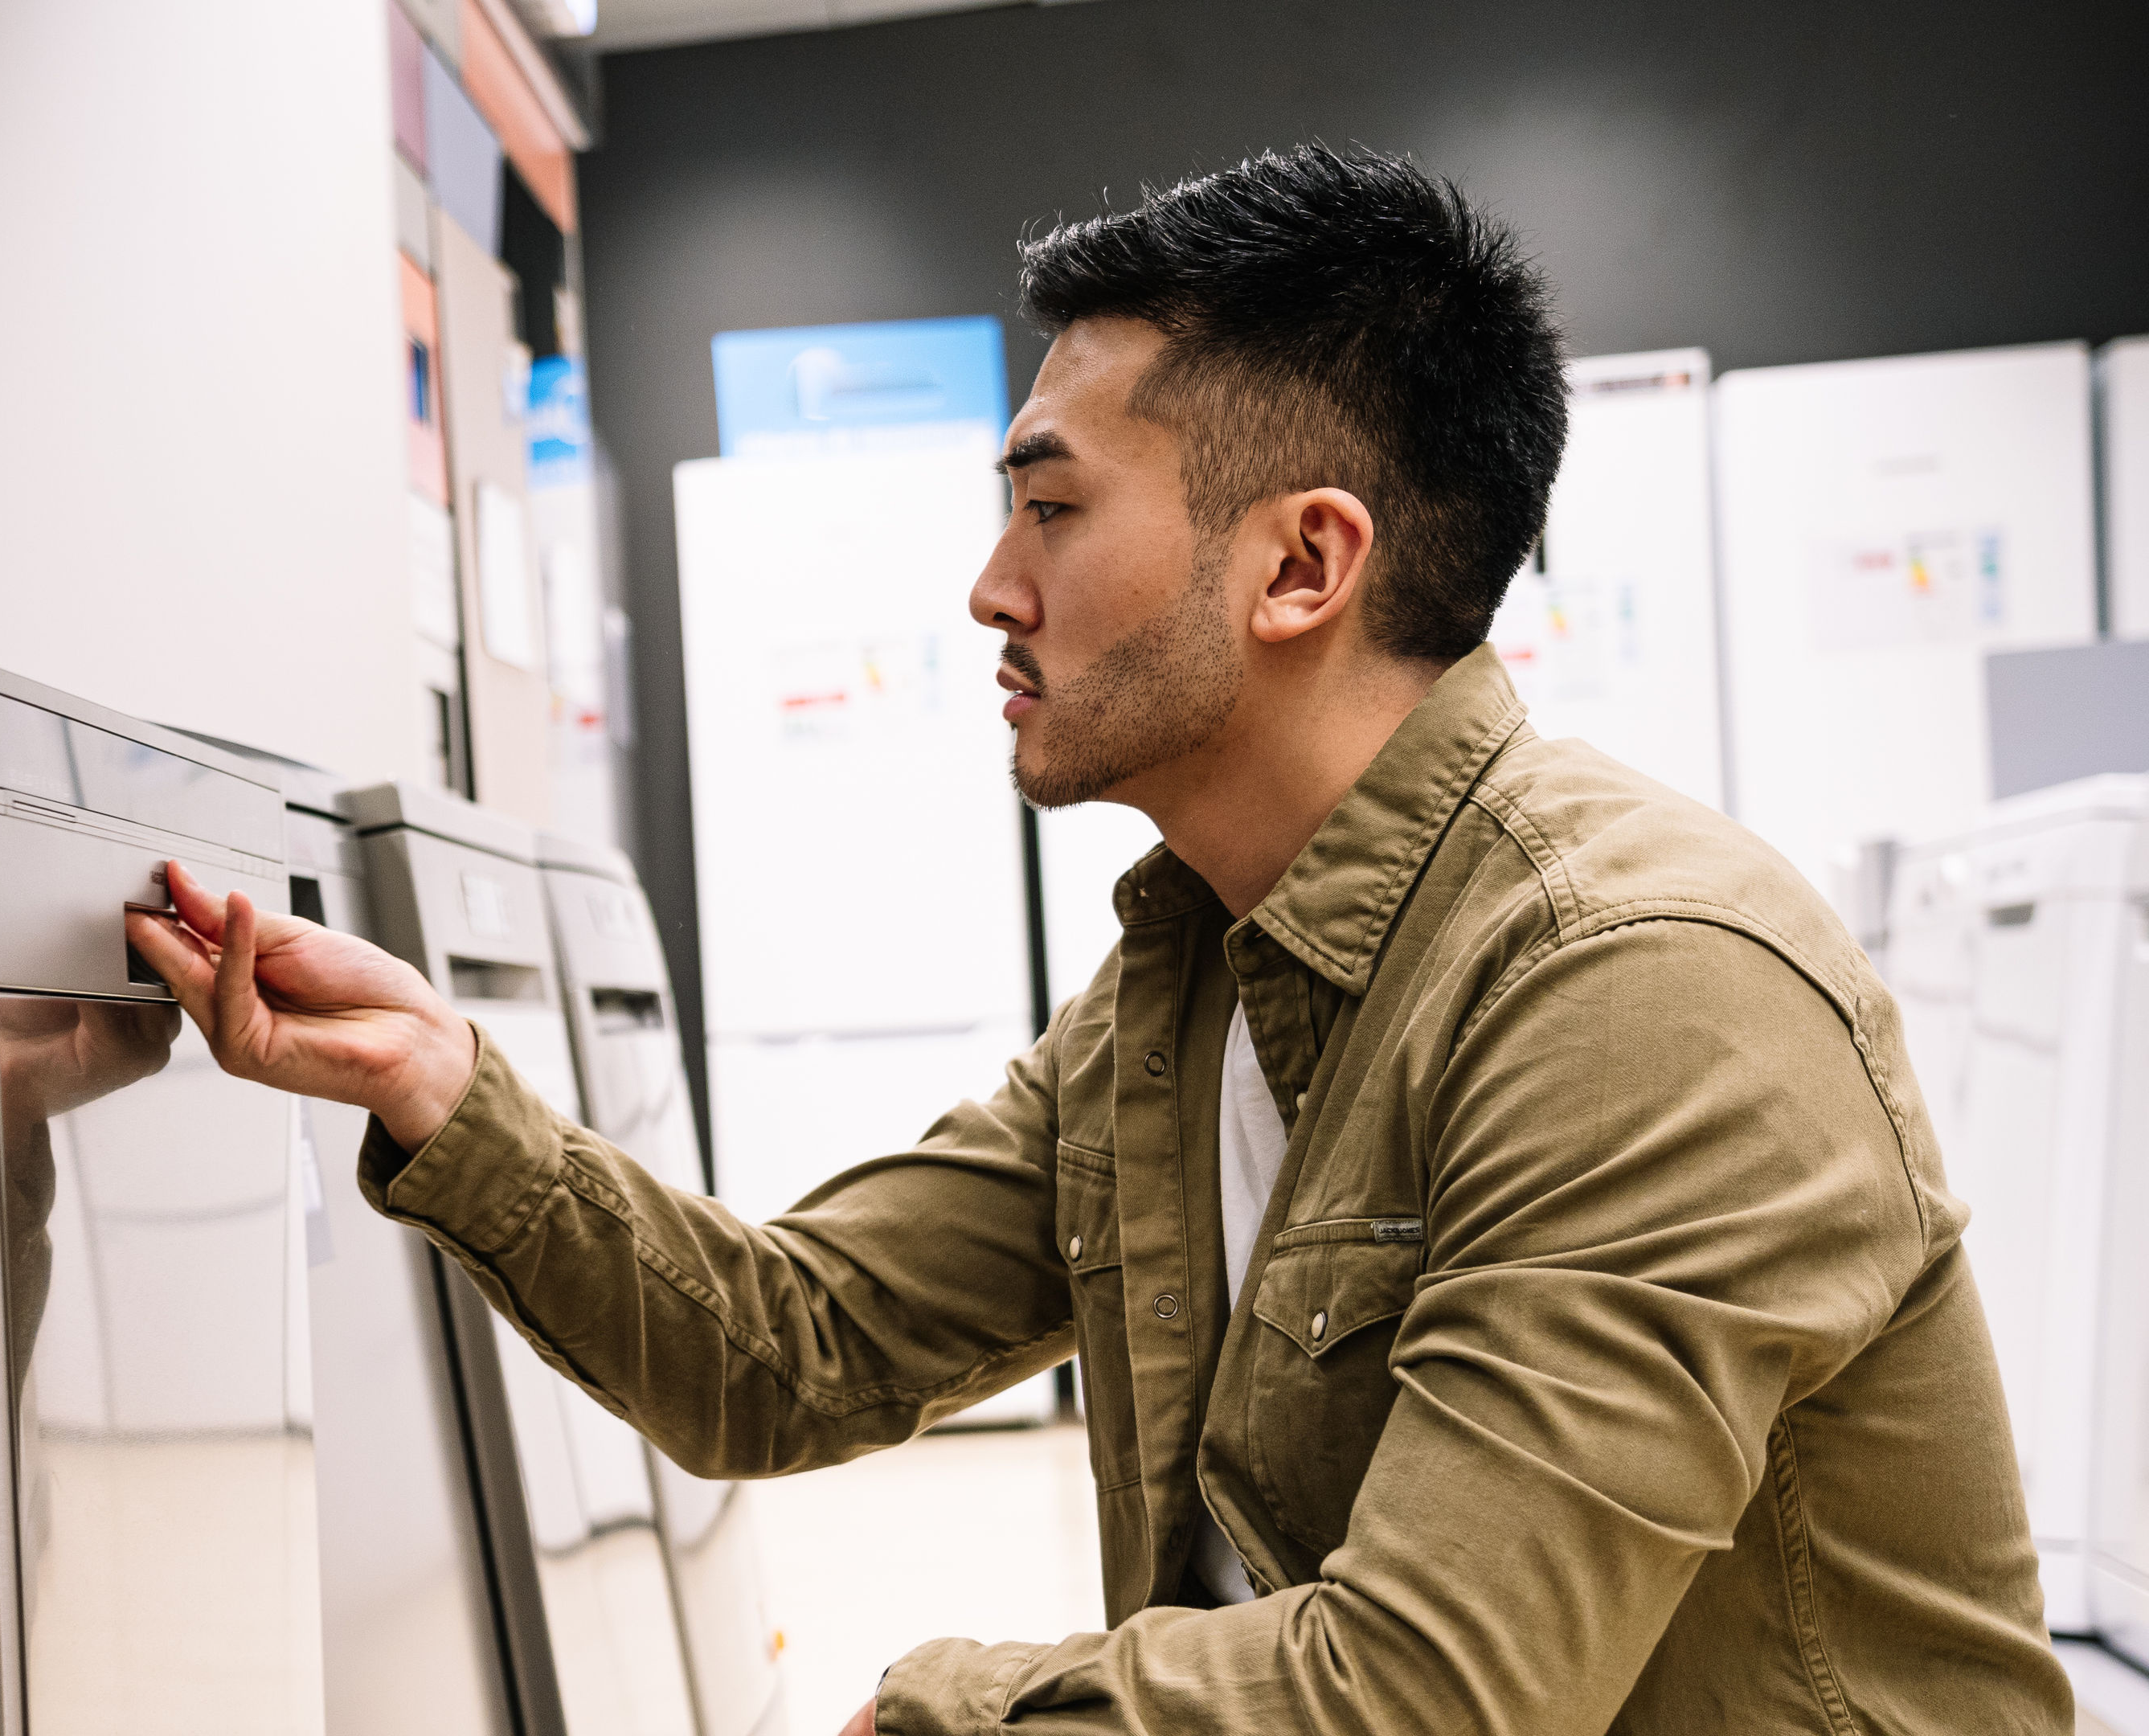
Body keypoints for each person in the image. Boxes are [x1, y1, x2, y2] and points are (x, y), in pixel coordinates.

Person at [129, 145, 2073, 1734]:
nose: (992, 587)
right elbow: (788, 1353)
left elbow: (1430, 1696)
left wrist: (937, 1713)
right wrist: (441, 1088)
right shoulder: (1192, 987)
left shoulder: (1643, 985)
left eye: (1053, 509)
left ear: (1304, 563)